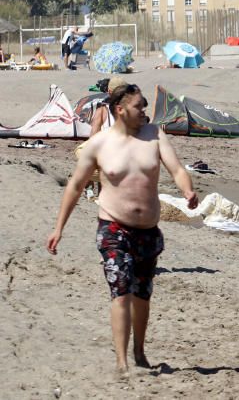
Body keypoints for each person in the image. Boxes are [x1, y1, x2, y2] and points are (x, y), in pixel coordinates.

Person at [46, 84, 199, 375]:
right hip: (113, 228)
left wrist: (188, 191)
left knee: (142, 294)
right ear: (120, 110)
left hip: (148, 231)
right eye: (139, 106)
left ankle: (139, 352)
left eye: (144, 106)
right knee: (121, 291)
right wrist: (59, 229)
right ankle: (122, 360)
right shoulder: (99, 144)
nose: (144, 111)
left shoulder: (154, 135)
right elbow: (76, 187)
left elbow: (177, 170)